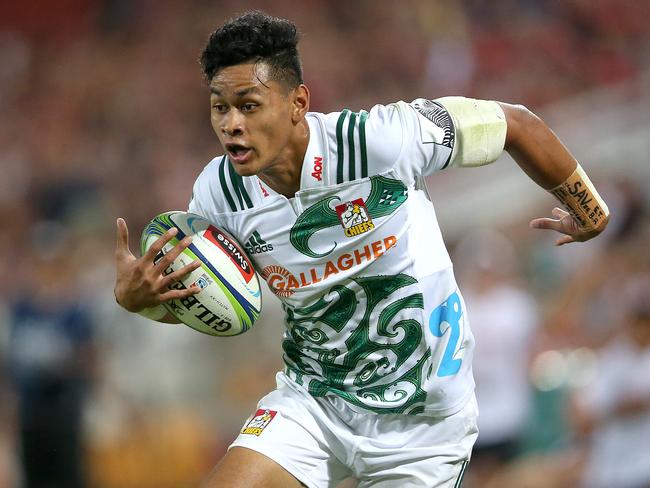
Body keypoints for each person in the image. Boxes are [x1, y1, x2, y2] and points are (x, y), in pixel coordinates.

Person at [113, 11, 610, 488]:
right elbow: (213, 298)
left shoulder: (382, 140)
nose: (231, 124)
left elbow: (516, 124)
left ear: (297, 102)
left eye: (249, 105)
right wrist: (143, 301)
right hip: (315, 403)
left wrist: (586, 206)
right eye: (220, 108)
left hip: (424, 423)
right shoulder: (218, 196)